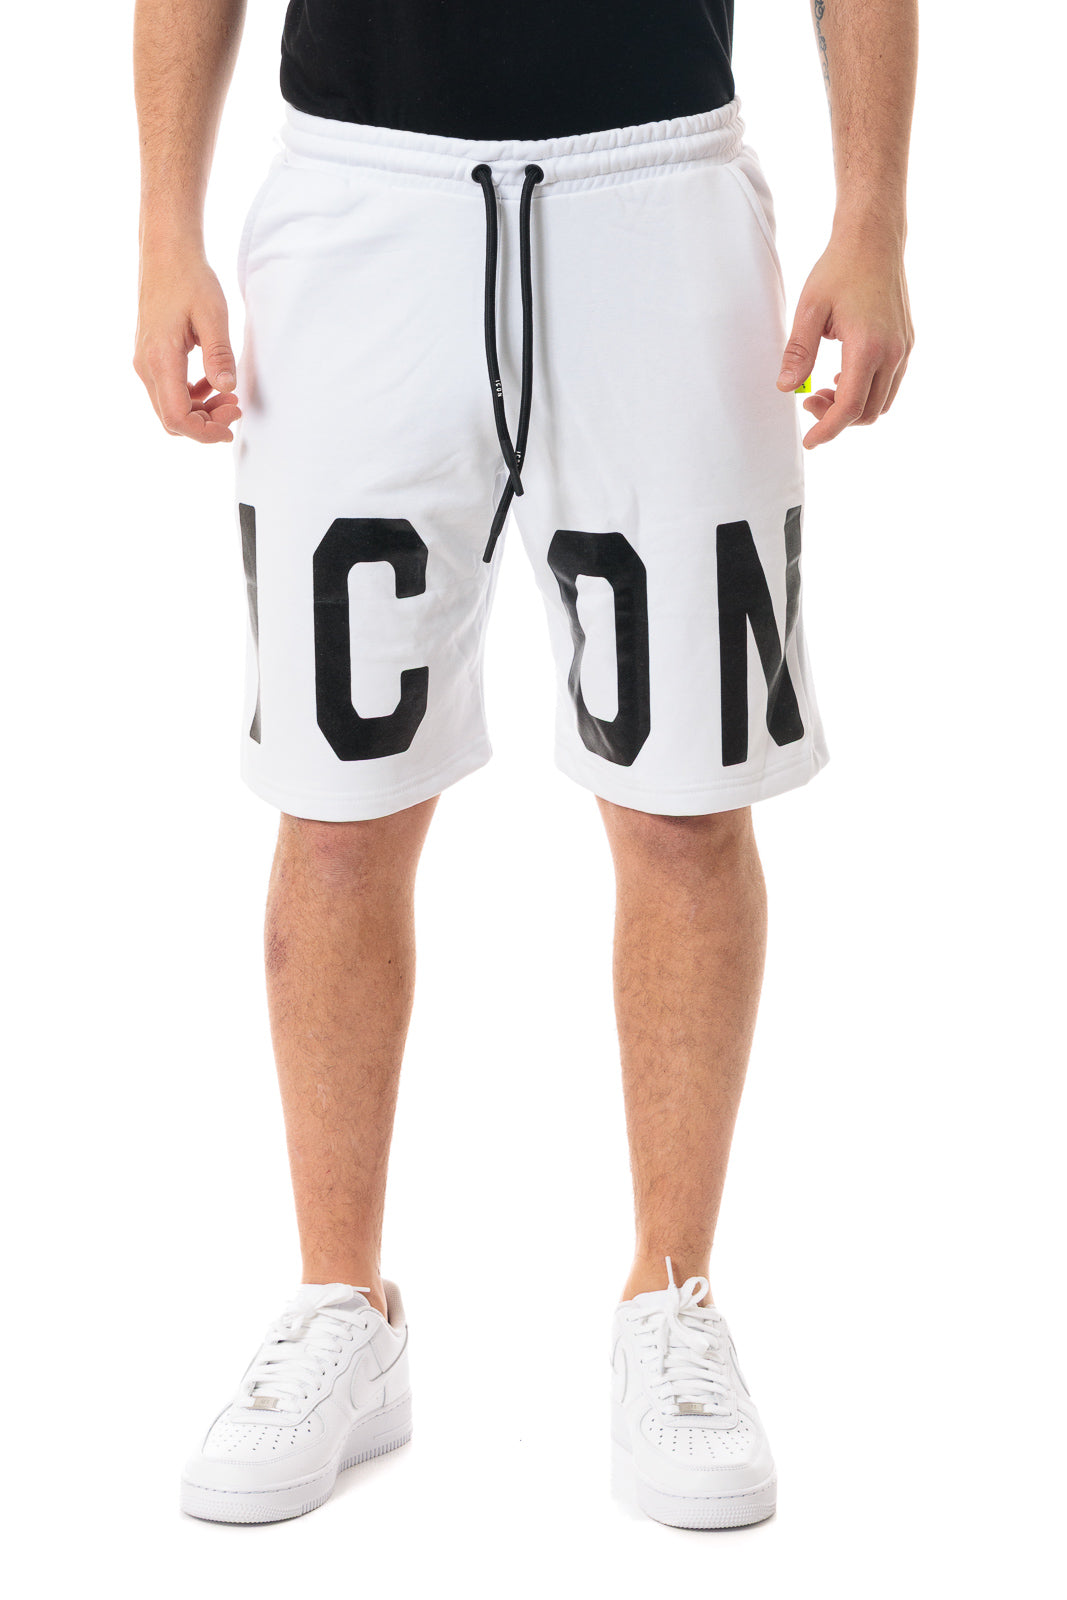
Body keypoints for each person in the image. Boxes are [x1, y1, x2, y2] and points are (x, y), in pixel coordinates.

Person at [133, 0, 915, 1530]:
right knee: (339, 799)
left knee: (684, 797)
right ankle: (342, 1302)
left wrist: (875, 212)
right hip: (362, 201)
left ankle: (673, 1295)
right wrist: (166, 225)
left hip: (658, 194)